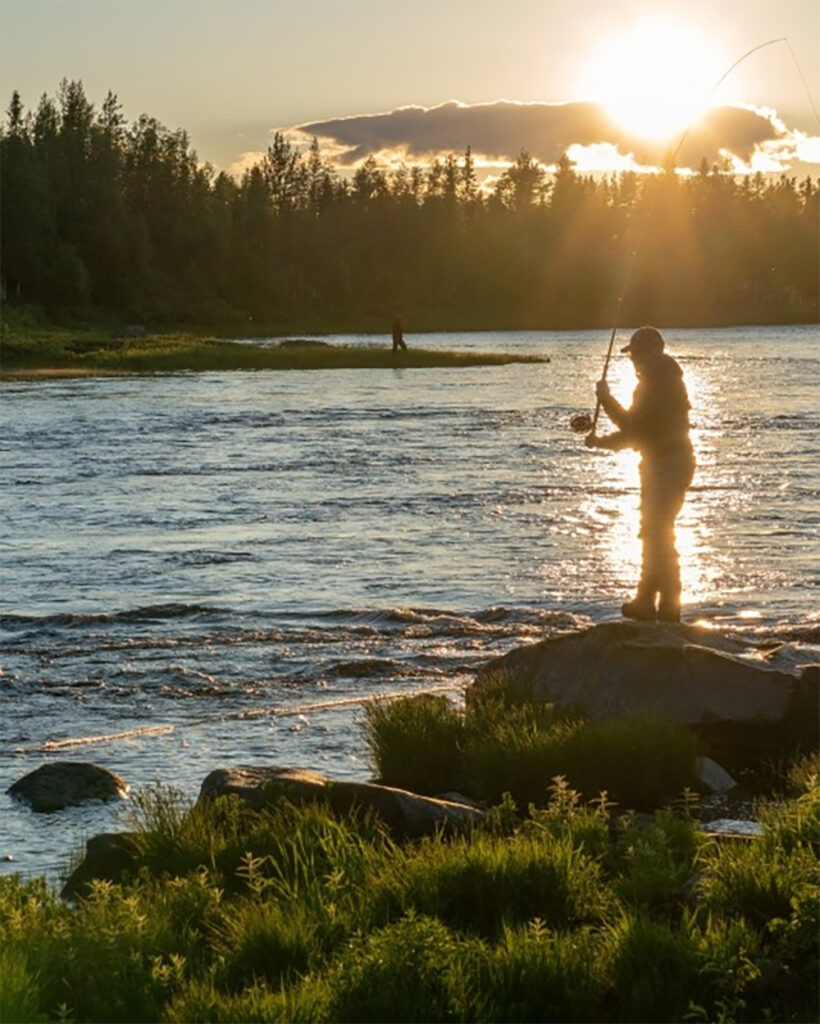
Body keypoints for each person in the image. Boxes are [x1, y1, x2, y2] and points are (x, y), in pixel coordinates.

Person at [585, 326, 695, 622]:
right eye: (632, 356)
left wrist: (600, 439)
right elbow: (632, 427)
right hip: (654, 464)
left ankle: (669, 608)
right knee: (651, 532)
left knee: (658, 530)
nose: (634, 360)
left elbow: (634, 433)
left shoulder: (665, 384)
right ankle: (646, 602)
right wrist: (606, 403)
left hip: (672, 463)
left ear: (656, 351)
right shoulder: (649, 384)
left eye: (638, 354)